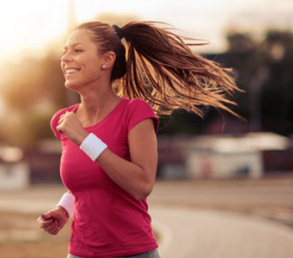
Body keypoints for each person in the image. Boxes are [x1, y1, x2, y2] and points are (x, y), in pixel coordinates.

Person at [37, 21, 240, 258]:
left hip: (132, 252)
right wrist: (64, 209)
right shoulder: (63, 121)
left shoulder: (135, 112)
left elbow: (142, 185)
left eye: (77, 50)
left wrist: (84, 138)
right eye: (65, 50)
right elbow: (90, 183)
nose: (66, 58)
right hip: (80, 253)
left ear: (107, 60)